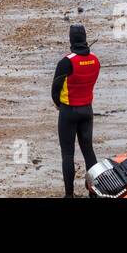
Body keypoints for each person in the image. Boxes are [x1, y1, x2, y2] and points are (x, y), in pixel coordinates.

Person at [51, 24, 99, 198]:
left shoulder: (66, 62)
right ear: (85, 38)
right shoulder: (95, 60)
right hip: (87, 109)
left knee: (68, 153)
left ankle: (69, 195)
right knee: (88, 151)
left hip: (68, 111)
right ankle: (94, 192)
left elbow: (55, 89)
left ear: (71, 39)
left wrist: (58, 104)